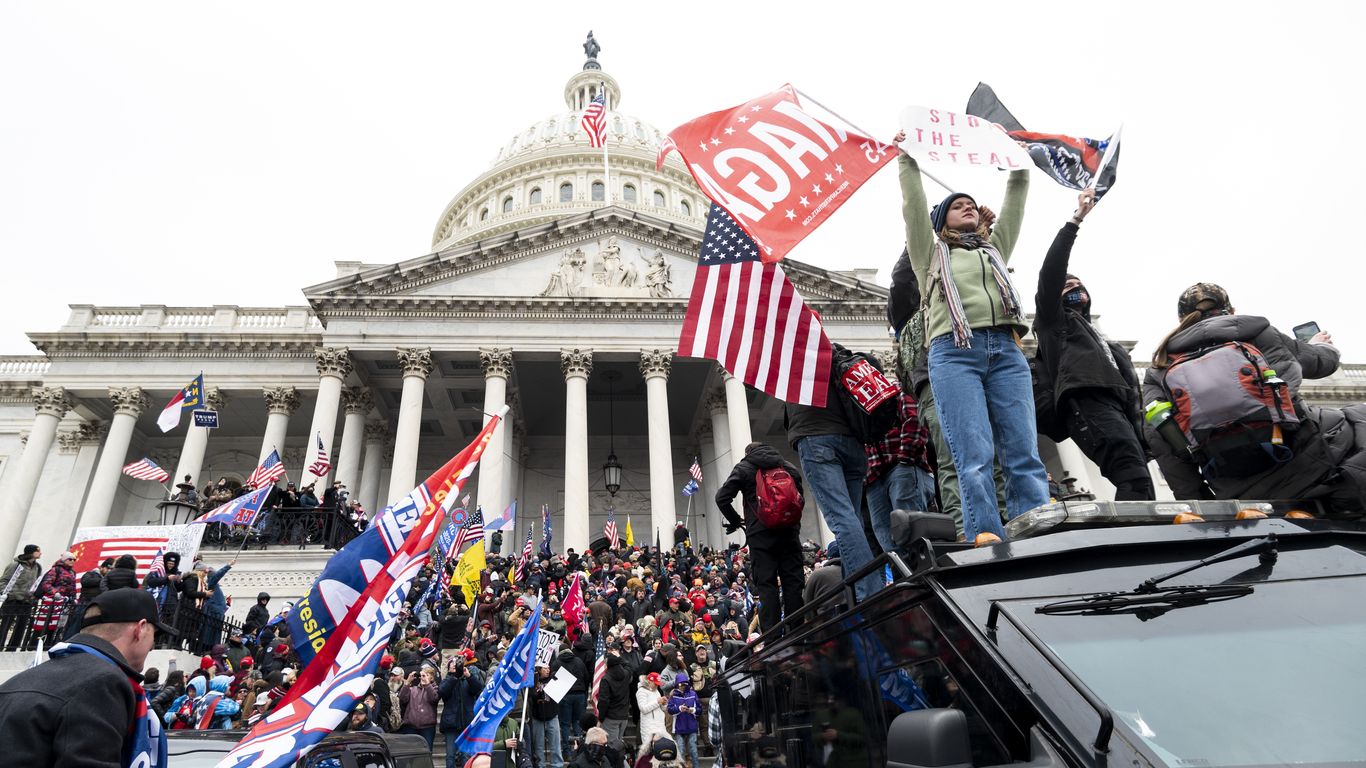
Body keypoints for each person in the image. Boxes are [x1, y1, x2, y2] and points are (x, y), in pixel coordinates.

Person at [894, 130, 1049, 543]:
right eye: (954, 206)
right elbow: (913, 206)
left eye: (970, 205)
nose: (964, 207)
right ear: (941, 221)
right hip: (953, 353)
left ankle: (1036, 528)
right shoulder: (929, 255)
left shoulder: (994, 250)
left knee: (1022, 451)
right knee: (974, 454)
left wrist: (1017, 158)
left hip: (1005, 350)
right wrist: (906, 158)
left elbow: (1016, 197)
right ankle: (985, 533)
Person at [1144, 283, 1366, 507]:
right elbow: (1322, 364)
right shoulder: (1257, 333)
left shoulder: (1160, 366)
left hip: (1234, 485)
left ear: (1181, 319)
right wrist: (1323, 347)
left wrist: (1201, 502)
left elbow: (1161, 441)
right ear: (1231, 311)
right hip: (1304, 460)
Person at [1033, 189, 1154, 499]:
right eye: (1068, 285)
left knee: (1139, 480)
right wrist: (1075, 222)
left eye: (1080, 285)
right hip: (1087, 405)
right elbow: (1051, 271)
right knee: (1134, 478)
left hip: (1118, 408)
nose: (1077, 289)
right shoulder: (1053, 324)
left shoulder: (1101, 340)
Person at [0, 587, 174, 767]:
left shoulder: (17, 680)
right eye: (154, 634)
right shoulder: (104, 682)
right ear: (140, 629)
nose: (153, 645)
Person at [716, 442, 807, 632]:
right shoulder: (786, 466)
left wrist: (736, 521)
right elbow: (799, 497)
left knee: (767, 584)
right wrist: (792, 521)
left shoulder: (744, 467)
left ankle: (772, 636)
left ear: (748, 453)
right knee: (793, 582)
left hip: (760, 534)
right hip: (789, 532)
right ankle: (798, 632)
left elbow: (721, 497)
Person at [439, 652, 486, 768]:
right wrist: (453, 677)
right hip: (451, 724)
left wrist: (469, 676)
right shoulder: (447, 680)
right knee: (450, 756)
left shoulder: (467, 680)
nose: (456, 667)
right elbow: (442, 692)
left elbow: (478, 688)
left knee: (466, 756)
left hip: (467, 723)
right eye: (453, 665)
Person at [32, 551, 78, 647]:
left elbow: (72, 587)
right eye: (70, 559)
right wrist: (55, 593)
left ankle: (50, 645)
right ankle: (37, 645)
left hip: (65, 603)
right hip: (53, 602)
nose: (72, 561)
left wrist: (74, 598)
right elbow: (46, 584)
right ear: (64, 559)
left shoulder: (73, 572)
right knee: (46, 625)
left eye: (74, 559)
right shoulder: (56, 569)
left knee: (58, 626)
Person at [0, 544, 42, 650]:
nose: (40, 553)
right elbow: (4, 580)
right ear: (31, 552)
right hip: (13, 599)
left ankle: (12, 648)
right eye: (38, 551)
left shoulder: (38, 567)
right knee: (6, 624)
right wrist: (6, 593)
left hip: (27, 601)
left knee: (21, 626)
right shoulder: (16, 565)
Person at [596, 645, 634, 753]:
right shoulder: (626, 674)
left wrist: (601, 717)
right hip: (623, 717)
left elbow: (604, 701)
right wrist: (620, 658)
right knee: (618, 746)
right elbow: (629, 667)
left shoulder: (606, 679)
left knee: (612, 749)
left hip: (611, 718)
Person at [530, 664, 564, 768]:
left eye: (549, 668)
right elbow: (533, 696)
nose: (548, 670)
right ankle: (540, 765)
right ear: (539, 669)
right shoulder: (533, 682)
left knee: (555, 746)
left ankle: (557, 765)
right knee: (539, 746)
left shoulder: (553, 680)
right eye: (545, 668)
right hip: (538, 718)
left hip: (552, 716)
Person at [399, 666, 440, 748]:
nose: (423, 677)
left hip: (427, 727)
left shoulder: (435, 689)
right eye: (422, 675)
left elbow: (434, 698)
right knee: (410, 752)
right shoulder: (413, 689)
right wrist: (407, 682)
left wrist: (428, 684)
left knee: (426, 753)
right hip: (410, 727)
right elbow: (402, 699)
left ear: (432, 678)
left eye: (427, 675)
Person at [666, 672, 700, 768]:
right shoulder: (673, 695)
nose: (682, 686)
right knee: (680, 752)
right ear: (677, 684)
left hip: (691, 727)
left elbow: (699, 710)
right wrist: (680, 708)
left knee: (693, 751)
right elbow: (670, 710)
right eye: (680, 684)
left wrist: (692, 710)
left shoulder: (693, 694)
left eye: (685, 683)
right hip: (678, 728)